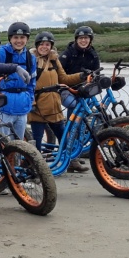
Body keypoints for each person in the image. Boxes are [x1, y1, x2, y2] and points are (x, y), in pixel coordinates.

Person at [27, 31, 87, 170]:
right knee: (37, 142)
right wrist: (32, 103)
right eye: (41, 44)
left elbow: (64, 79)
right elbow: (27, 83)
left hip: (54, 106)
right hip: (38, 108)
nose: (44, 47)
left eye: (47, 44)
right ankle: (35, 169)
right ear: (36, 45)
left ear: (51, 46)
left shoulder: (54, 59)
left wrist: (81, 76)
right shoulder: (30, 60)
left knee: (64, 138)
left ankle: (71, 162)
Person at [0, 22, 36, 141]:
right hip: (4, 106)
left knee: (19, 144)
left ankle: (16, 160)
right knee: (2, 144)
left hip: (22, 107)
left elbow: (32, 82)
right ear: (10, 39)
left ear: (27, 39)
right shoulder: (2, 53)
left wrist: (30, 99)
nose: (19, 41)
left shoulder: (31, 58)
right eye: (15, 37)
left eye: (22, 37)